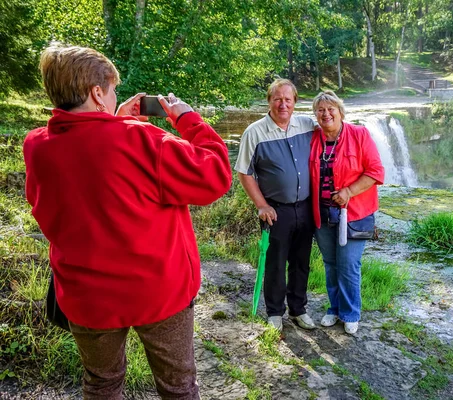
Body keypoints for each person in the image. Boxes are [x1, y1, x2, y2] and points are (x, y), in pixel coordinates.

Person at [23, 44, 232, 399]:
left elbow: (66, 192)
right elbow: (215, 175)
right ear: (97, 93)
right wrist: (188, 119)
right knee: (178, 387)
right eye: (113, 90)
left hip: (86, 296)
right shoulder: (140, 139)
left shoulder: (36, 146)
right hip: (158, 292)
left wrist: (117, 118)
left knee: (102, 384)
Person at [235, 79, 316, 332]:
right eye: (277, 99)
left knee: (301, 262)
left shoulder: (307, 125)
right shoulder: (254, 133)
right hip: (275, 211)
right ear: (269, 101)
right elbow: (244, 173)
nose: (283, 104)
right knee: (276, 263)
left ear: (295, 102)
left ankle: (298, 309)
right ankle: (274, 312)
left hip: (305, 207)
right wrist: (261, 205)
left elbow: (334, 133)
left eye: (288, 99)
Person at [309, 90, 384, 335]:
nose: (326, 113)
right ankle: (334, 308)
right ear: (316, 115)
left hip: (353, 213)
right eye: (321, 110)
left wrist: (349, 191)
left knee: (349, 263)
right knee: (330, 264)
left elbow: (375, 172)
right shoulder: (313, 138)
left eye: (331, 109)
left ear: (341, 112)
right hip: (321, 213)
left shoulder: (359, 134)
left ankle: (351, 313)